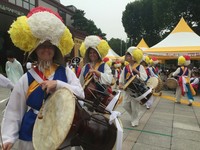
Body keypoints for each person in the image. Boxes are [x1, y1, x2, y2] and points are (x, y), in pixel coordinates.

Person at [1, 6, 84, 150]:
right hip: (30, 133)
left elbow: (80, 94)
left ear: (55, 49)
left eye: (50, 46)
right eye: (42, 46)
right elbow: (14, 110)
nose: (46, 50)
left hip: (60, 128)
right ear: (35, 50)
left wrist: (58, 84)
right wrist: (8, 137)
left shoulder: (66, 73)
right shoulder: (26, 78)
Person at [118, 47, 151, 127]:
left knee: (134, 106)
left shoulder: (140, 67)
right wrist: (120, 83)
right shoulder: (126, 67)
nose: (126, 56)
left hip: (136, 90)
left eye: (128, 55)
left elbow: (144, 77)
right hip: (127, 90)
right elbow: (122, 77)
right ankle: (134, 116)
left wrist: (138, 73)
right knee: (125, 105)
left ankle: (135, 120)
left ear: (133, 56)